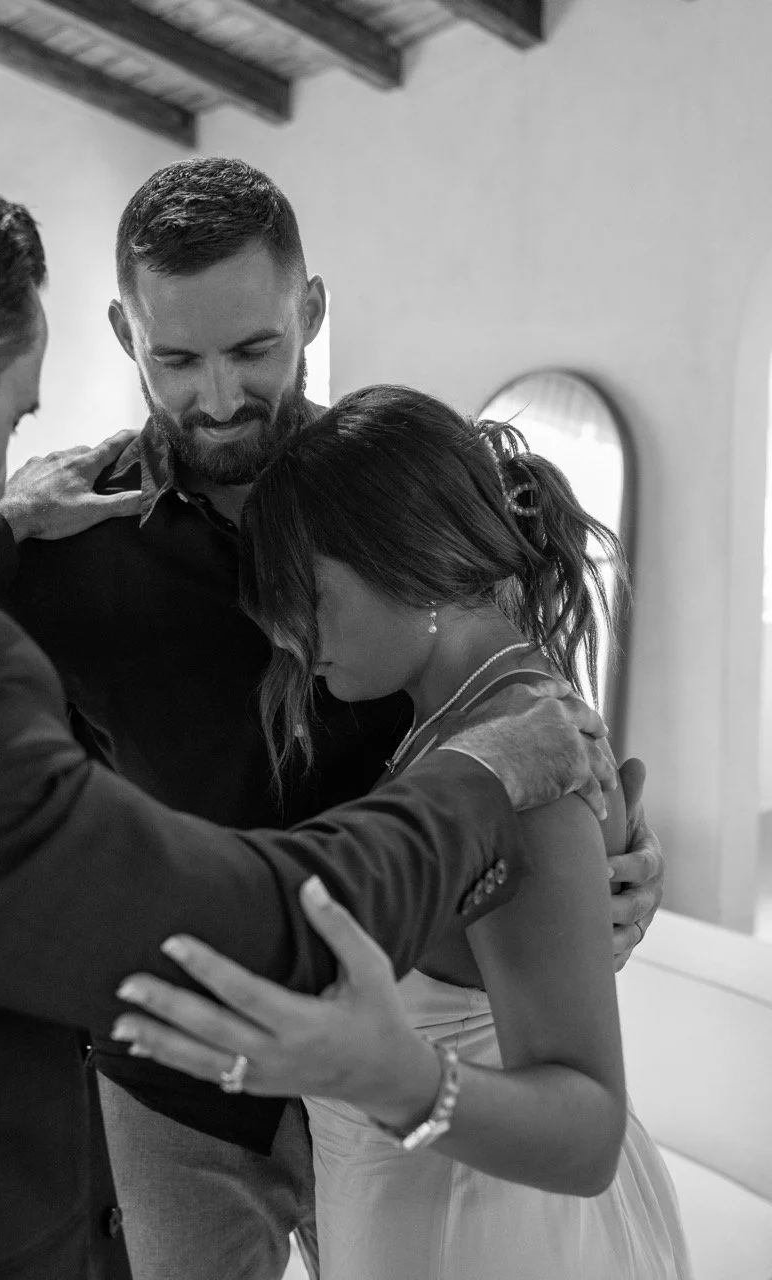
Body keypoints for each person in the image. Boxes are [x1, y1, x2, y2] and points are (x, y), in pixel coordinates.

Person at [0, 135, 618, 1280]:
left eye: (254, 347)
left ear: (308, 308)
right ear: (125, 337)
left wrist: (608, 848)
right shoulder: (35, 543)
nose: (219, 394)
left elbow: (525, 705)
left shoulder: (402, 485)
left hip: (420, 1025)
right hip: (180, 1074)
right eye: (176, 358)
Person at [107, 386, 692, 1279]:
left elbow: (586, 1135)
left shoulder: (524, 762)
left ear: (403, 560)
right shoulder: (453, 722)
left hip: (486, 1236)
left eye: (309, 596)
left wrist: (396, 1080)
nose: (292, 640)